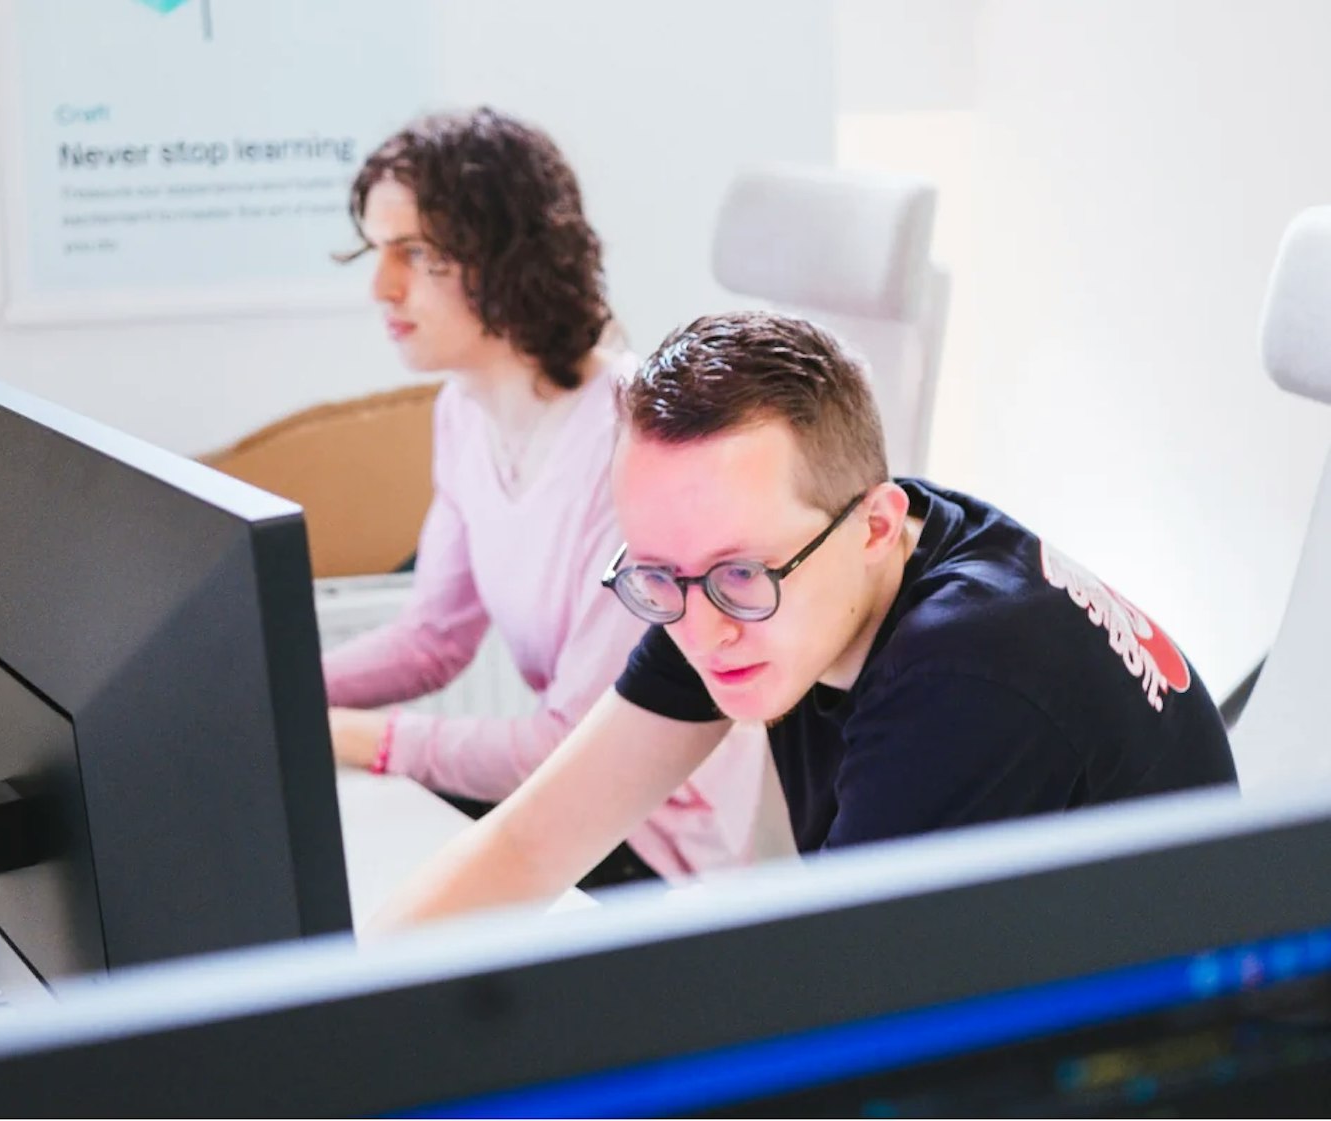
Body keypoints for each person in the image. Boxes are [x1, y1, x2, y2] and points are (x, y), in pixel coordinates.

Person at [369, 309, 1238, 930]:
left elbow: (838, 1016)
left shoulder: (962, 683)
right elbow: (529, 846)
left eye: (740, 574)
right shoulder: (740, 581)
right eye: (658, 576)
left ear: (872, 524)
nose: (700, 632)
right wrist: (330, 1024)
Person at [322, 109, 767, 889]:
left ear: (506, 261)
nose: (379, 286)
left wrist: (352, 736)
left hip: (652, 843)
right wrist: (277, 689)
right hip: (567, 808)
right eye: (375, 250)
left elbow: (569, 742)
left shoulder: (632, 441)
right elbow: (433, 637)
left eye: (415, 252)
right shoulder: (462, 411)